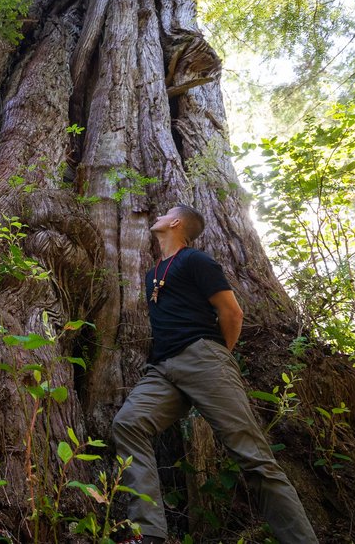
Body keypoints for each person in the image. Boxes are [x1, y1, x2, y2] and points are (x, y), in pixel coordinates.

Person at [112, 204, 318, 544]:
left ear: (176, 223)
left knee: (252, 456)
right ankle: (147, 532)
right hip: (161, 368)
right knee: (128, 424)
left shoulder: (196, 260)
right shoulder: (153, 274)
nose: (158, 216)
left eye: (165, 213)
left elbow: (232, 312)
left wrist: (217, 355)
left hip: (203, 357)